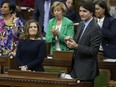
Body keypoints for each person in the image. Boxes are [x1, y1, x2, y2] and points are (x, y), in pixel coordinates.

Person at [64, 0, 102, 85]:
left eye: (84, 11)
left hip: (86, 71)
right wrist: (69, 43)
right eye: (80, 11)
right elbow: (77, 44)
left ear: (92, 12)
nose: (81, 14)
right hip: (76, 68)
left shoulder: (95, 28)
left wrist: (76, 46)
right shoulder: (81, 24)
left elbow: (93, 51)